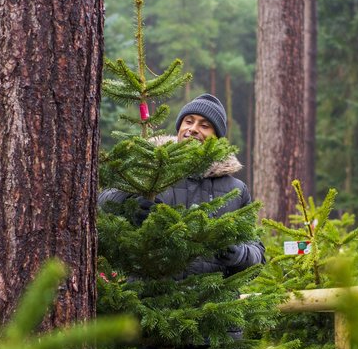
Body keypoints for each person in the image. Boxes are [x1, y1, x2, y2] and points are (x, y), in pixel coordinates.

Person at [99, 93, 265, 277]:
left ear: (216, 138)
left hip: (212, 302)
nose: (193, 129)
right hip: (152, 299)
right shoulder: (153, 167)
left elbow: (258, 254)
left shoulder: (236, 190)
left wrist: (239, 254)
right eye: (188, 121)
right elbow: (102, 203)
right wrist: (129, 206)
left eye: (204, 125)